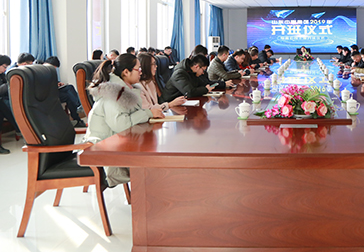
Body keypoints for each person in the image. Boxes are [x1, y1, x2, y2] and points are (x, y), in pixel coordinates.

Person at [84, 54, 164, 187]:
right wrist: (148, 113)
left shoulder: (125, 91)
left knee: (155, 157)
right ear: (126, 72)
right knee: (153, 163)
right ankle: (147, 203)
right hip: (104, 150)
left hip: (119, 144)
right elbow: (121, 125)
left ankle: (150, 201)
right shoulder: (113, 94)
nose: (141, 72)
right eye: (138, 69)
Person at [163, 54, 232, 101]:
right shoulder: (179, 74)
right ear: (197, 67)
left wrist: (223, 84)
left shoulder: (192, 72)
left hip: (183, 101)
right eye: (203, 70)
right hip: (170, 103)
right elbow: (189, 92)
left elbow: (206, 83)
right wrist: (205, 89)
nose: (203, 73)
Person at [44, 56, 86, 127]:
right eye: (54, 67)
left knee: (69, 88)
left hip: (54, 90)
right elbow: (44, 84)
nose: (54, 69)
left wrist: (58, 83)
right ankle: (78, 108)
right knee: (68, 96)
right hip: (49, 93)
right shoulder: (43, 70)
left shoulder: (47, 70)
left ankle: (78, 112)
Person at [0, 55, 16, 154]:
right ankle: (18, 127)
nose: (5, 69)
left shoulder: (2, 75)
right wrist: (8, 84)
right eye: (4, 67)